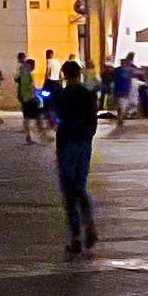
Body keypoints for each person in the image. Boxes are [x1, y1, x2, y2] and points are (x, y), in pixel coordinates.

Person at [49, 60, 101, 256]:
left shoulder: (61, 95)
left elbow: (55, 117)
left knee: (69, 190)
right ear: (79, 74)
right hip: (83, 143)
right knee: (80, 186)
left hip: (66, 143)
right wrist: (86, 136)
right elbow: (92, 121)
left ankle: (76, 236)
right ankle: (89, 224)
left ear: (64, 74)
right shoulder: (88, 95)